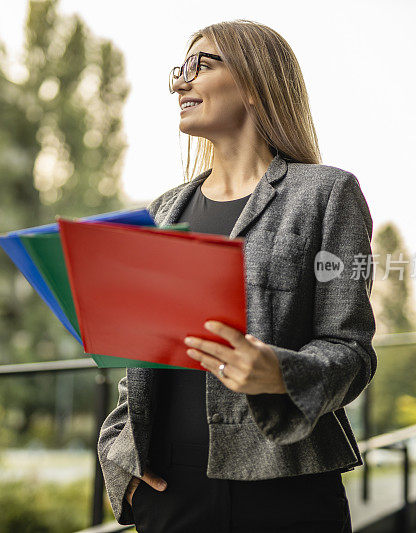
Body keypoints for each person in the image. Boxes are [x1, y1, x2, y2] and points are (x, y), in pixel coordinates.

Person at [98, 20, 376, 533]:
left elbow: (352, 350)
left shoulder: (326, 194)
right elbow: (139, 366)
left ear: (254, 83)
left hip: (284, 494)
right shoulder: (161, 214)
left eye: (199, 65)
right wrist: (121, 462)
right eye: (178, 72)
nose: (181, 83)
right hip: (167, 494)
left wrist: (280, 372)